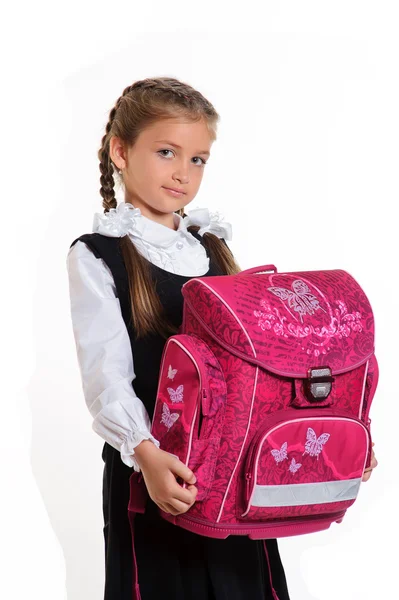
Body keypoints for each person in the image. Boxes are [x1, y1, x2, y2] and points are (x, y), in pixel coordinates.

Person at [66, 76, 305, 600]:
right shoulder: (99, 254)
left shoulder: (212, 247)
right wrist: (146, 454)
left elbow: (258, 364)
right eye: (167, 151)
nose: (183, 172)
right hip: (154, 468)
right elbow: (105, 374)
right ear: (121, 151)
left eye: (198, 159)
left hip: (232, 469)